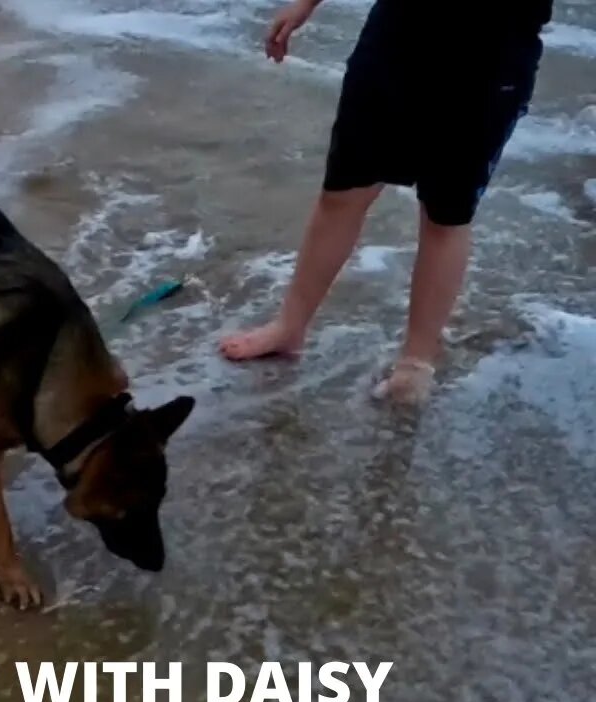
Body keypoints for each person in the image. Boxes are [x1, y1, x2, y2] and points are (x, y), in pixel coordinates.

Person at [219, 0, 553, 403]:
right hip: (398, 37)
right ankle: (290, 327)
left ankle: (416, 364)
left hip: (492, 59)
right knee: (343, 192)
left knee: (446, 214)